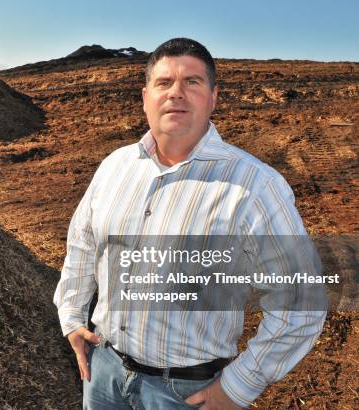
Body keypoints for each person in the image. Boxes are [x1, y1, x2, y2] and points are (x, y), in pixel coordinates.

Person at [53, 38, 326, 409]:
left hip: (183, 393)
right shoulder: (114, 167)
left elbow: (302, 300)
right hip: (103, 376)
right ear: (145, 95)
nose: (176, 93)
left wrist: (239, 386)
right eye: (164, 83)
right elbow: (83, 244)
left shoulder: (254, 186)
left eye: (192, 82)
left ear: (213, 96)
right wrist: (71, 314)